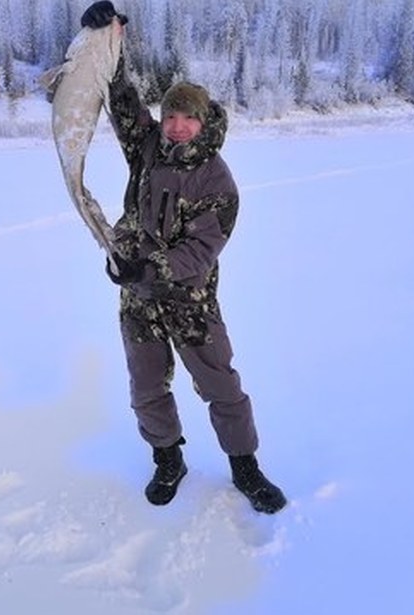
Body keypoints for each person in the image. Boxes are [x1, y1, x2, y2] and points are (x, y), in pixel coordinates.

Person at [80, 1, 286, 514]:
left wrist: (149, 270)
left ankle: (246, 468)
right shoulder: (146, 147)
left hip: (189, 300)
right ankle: (167, 460)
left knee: (220, 385)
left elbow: (200, 250)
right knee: (147, 386)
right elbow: (120, 98)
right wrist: (110, 40)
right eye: (170, 115)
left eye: (185, 118)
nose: (174, 126)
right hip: (137, 298)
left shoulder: (218, 181)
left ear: (202, 122)